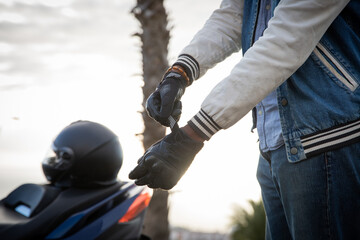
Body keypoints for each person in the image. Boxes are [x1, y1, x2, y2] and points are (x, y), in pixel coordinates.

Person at [129, 0, 360, 239]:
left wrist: (191, 136)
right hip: (271, 142)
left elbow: (285, 41)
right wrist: (179, 74)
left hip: (325, 139)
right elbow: (232, 15)